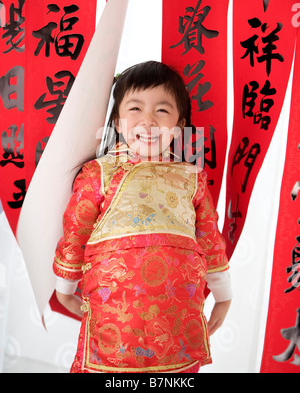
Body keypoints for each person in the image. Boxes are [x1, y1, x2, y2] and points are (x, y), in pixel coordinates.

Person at [53, 60, 232, 373]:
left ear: (179, 124)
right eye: (135, 108)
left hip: (177, 320)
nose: (148, 121)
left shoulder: (192, 178)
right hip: (113, 317)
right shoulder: (99, 174)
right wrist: (64, 288)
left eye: (162, 111)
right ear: (118, 123)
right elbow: (75, 232)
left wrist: (224, 294)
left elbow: (210, 238)